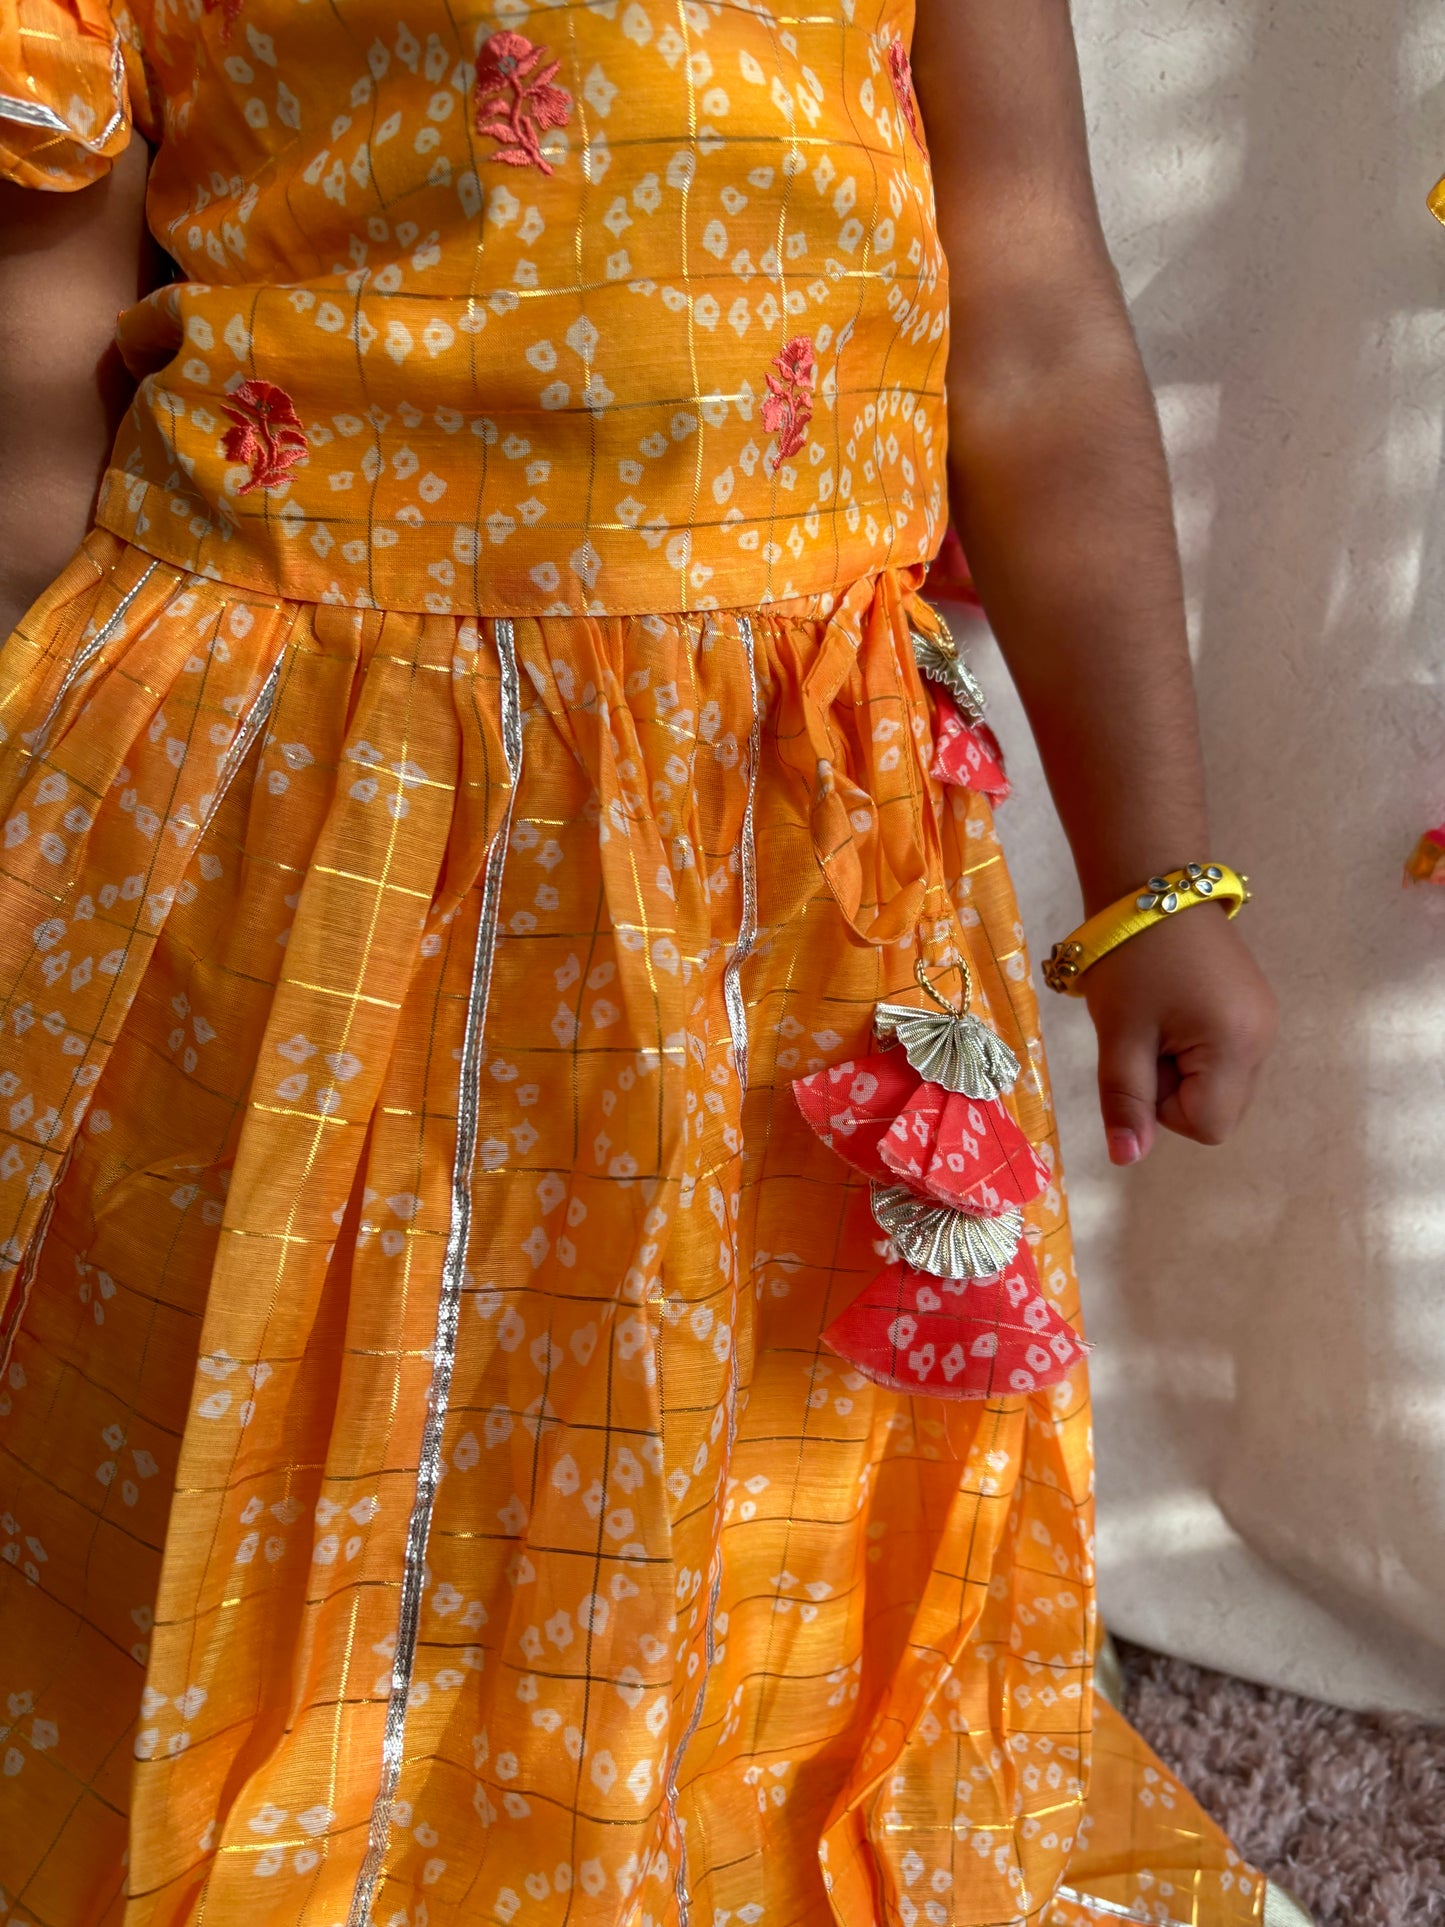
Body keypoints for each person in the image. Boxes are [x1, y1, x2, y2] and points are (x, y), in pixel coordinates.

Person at [0, 2, 1279, 1922]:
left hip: (759, 824)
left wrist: (1154, 879)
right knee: (242, 1386)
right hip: (273, 779)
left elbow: (1029, 337)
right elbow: (36, 377)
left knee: (730, 1429)